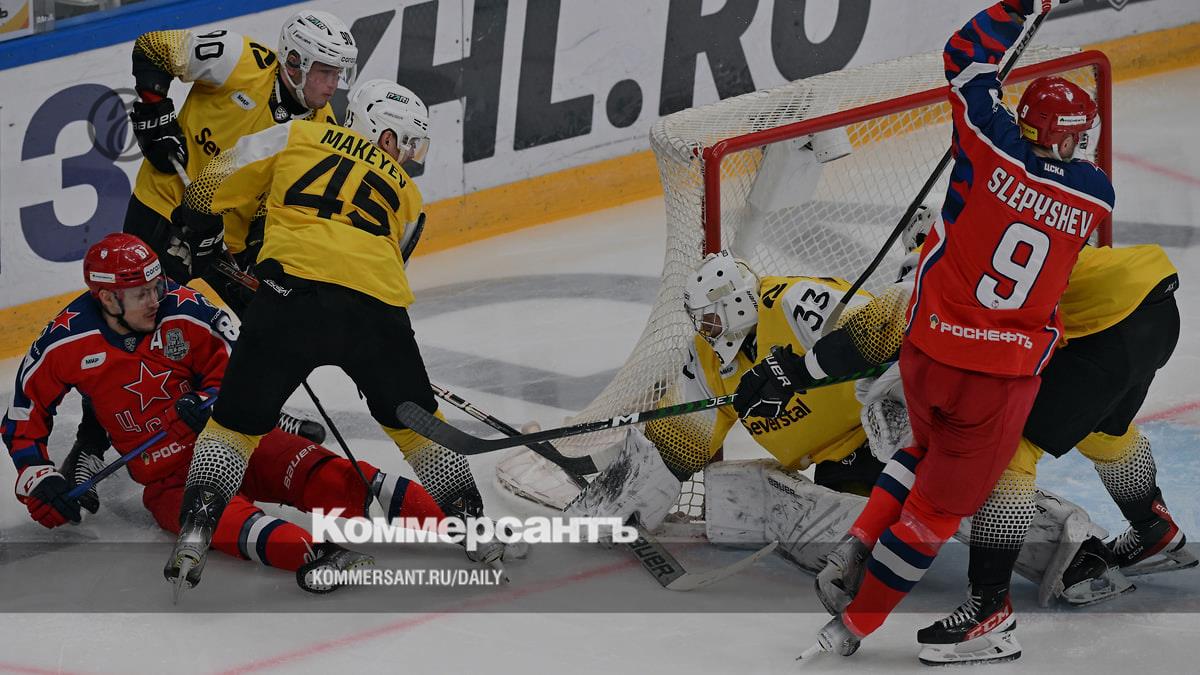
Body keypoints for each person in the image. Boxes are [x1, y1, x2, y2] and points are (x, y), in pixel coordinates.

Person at [740, 0, 1115, 658]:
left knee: (919, 454)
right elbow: (1057, 182)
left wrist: (1024, 7)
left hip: (929, 353)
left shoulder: (989, 146)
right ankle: (863, 624)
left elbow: (965, 58)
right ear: (1067, 139)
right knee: (936, 511)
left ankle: (859, 544)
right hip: (997, 381)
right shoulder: (1094, 194)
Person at [163, 78, 508, 594]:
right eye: (407, 145)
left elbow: (216, 180)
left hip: (289, 300)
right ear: (385, 138)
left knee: (233, 428)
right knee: (417, 429)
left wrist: (192, 225)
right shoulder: (409, 195)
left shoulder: (296, 135)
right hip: (376, 314)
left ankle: (195, 530)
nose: (408, 158)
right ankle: (475, 530)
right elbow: (388, 259)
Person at [2, 234, 446, 593]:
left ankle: (461, 523)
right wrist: (40, 479)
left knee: (334, 477)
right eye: (140, 294)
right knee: (215, 517)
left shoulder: (186, 309)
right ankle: (318, 555)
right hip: (168, 478)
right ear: (106, 298)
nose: (155, 299)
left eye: (157, 286)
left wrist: (215, 400)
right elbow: (23, 418)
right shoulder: (64, 342)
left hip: (232, 441)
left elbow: (243, 362)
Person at [63, 11, 359, 498]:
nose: (334, 85)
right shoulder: (238, 59)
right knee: (133, 331)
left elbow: (281, 202)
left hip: (224, 239)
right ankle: (89, 445)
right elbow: (153, 46)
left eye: (338, 73)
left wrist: (262, 247)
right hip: (164, 210)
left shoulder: (320, 128)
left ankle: (251, 408)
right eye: (325, 72)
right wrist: (155, 111)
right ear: (293, 62)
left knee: (272, 324)